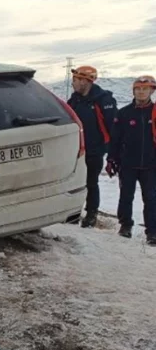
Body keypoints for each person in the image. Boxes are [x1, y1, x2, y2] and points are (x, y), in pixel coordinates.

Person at [106, 75, 156, 243]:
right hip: (127, 163)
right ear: (133, 91)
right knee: (126, 196)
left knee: (151, 198)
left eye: (145, 89)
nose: (141, 92)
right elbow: (115, 139)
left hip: (151, 165)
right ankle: (125, 226)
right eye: (138, 89)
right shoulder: (124, 113)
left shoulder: (155, 112)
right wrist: (111, 159)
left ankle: (152, 232)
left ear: (151, 91)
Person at [67, 65, 118, 228]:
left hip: (95, 150)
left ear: (84, 81)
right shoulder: (74, 100)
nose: (73, 83)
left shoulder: (103, 100)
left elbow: (113, 128)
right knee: (74, 183)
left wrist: (113, 154)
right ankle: (72, 212)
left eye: (75, 80)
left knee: (91, 182)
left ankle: (91, 214)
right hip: (76, 150)